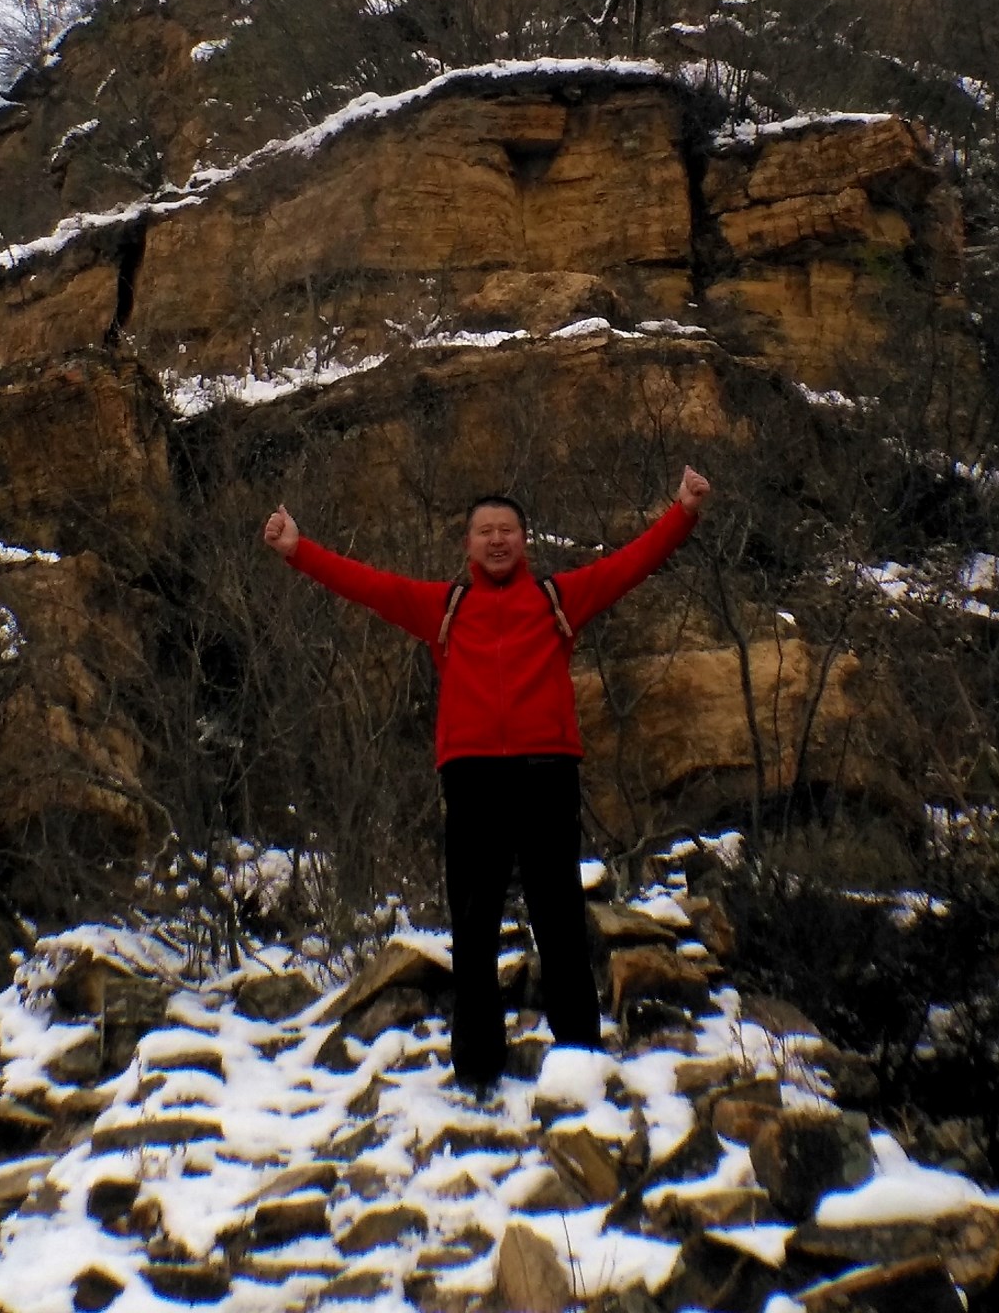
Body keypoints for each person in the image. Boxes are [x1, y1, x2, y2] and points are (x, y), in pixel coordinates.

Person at [262, 467, 710, 1091]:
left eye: (507, 530)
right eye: (484, 531)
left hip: (547, 771)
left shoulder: (558, 598)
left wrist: (682, 509)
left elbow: (630, 564)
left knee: (557, 914)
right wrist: (297, 550)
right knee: (472, 924)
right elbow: (368, 585)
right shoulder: (444, 607)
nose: (496, 540)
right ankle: (477, 1068)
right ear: (468, 544)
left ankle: (577, 1056)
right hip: (472, 778)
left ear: (524, 541)